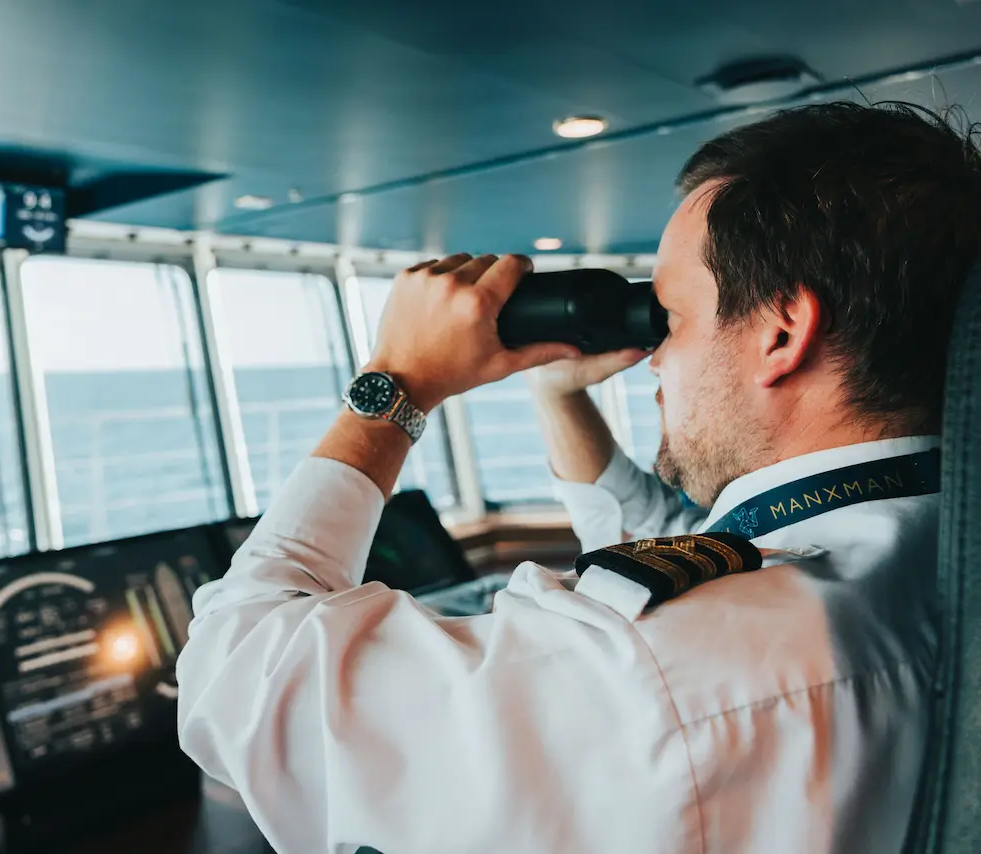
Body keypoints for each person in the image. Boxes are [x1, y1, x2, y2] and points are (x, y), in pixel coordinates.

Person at [175, 102, 981, 853]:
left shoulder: (655, 670)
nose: (655, 356)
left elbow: (237, 679)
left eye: (671, 315)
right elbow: (679, 553)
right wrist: (557, 392)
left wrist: (397, 386)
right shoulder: (935, 549)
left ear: (781, 331)